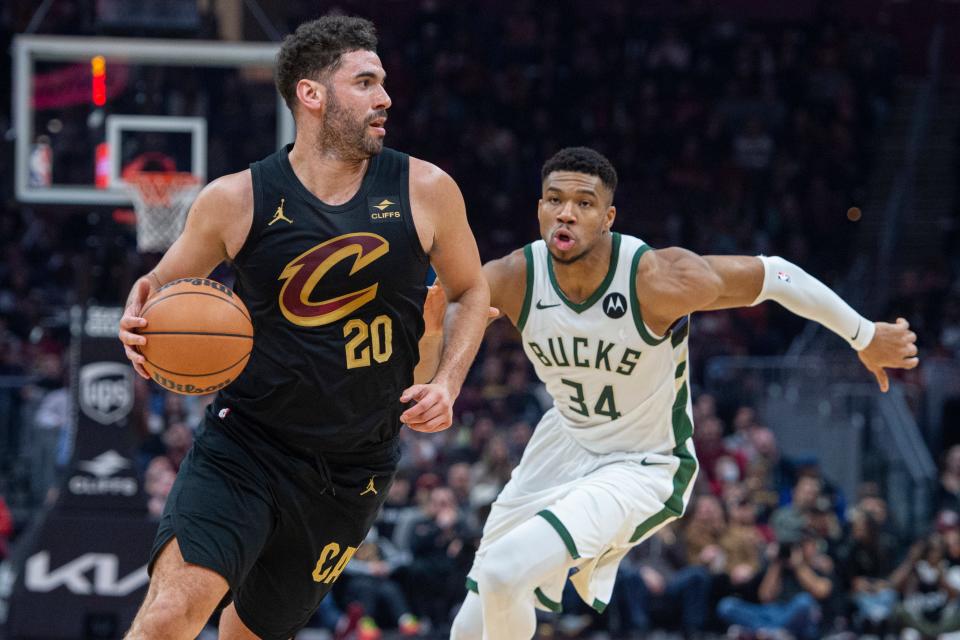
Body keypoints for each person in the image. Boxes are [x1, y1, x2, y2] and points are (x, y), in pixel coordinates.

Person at [446, 146, 918, 640]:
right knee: (477, 609)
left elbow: (776, 274)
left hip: (640, 461)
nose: (566, 213)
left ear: (608, 217)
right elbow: (440, 317)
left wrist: (863, 335)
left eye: (584, 203)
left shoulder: (656, 278)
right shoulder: (513, 276)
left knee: (505, 573)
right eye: (554, 200)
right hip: (561, 444)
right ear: (539, 207)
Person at [117, 15, 489, 640]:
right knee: (169, 618)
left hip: (353, 468)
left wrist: (448, 381)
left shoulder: (426, 189)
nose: (385, 99)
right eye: (366, 83)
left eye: (384, 83)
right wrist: (139, 316)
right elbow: (157, 289)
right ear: (312, 95)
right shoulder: (236, 199)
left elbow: (472, 288)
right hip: (247, 447)